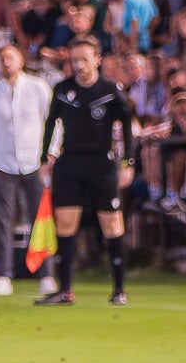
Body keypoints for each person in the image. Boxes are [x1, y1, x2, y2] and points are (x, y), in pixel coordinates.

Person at [37, 38, 133, 307]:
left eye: (84, 59)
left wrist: (128, 162)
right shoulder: (62, 89)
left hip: (102, 165)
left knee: (112, 225)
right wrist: (46, 156)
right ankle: (65, 289)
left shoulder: (110, 90)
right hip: (70, 165)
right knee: (66, 226)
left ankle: (119, 289)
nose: (79, 65)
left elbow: (126, 126)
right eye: (74, 60)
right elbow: (49, 124)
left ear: (97, 60)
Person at [0, 42, 52, 298]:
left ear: (21, 60)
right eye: (2, 58)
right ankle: (4, 275)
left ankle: (46, 274)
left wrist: (50, 154)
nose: (6, 62)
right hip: (3, 164)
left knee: (40, 220)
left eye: (10, 57)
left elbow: (52, 123)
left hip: (34, 162)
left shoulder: (38, 87)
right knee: (4, 221)